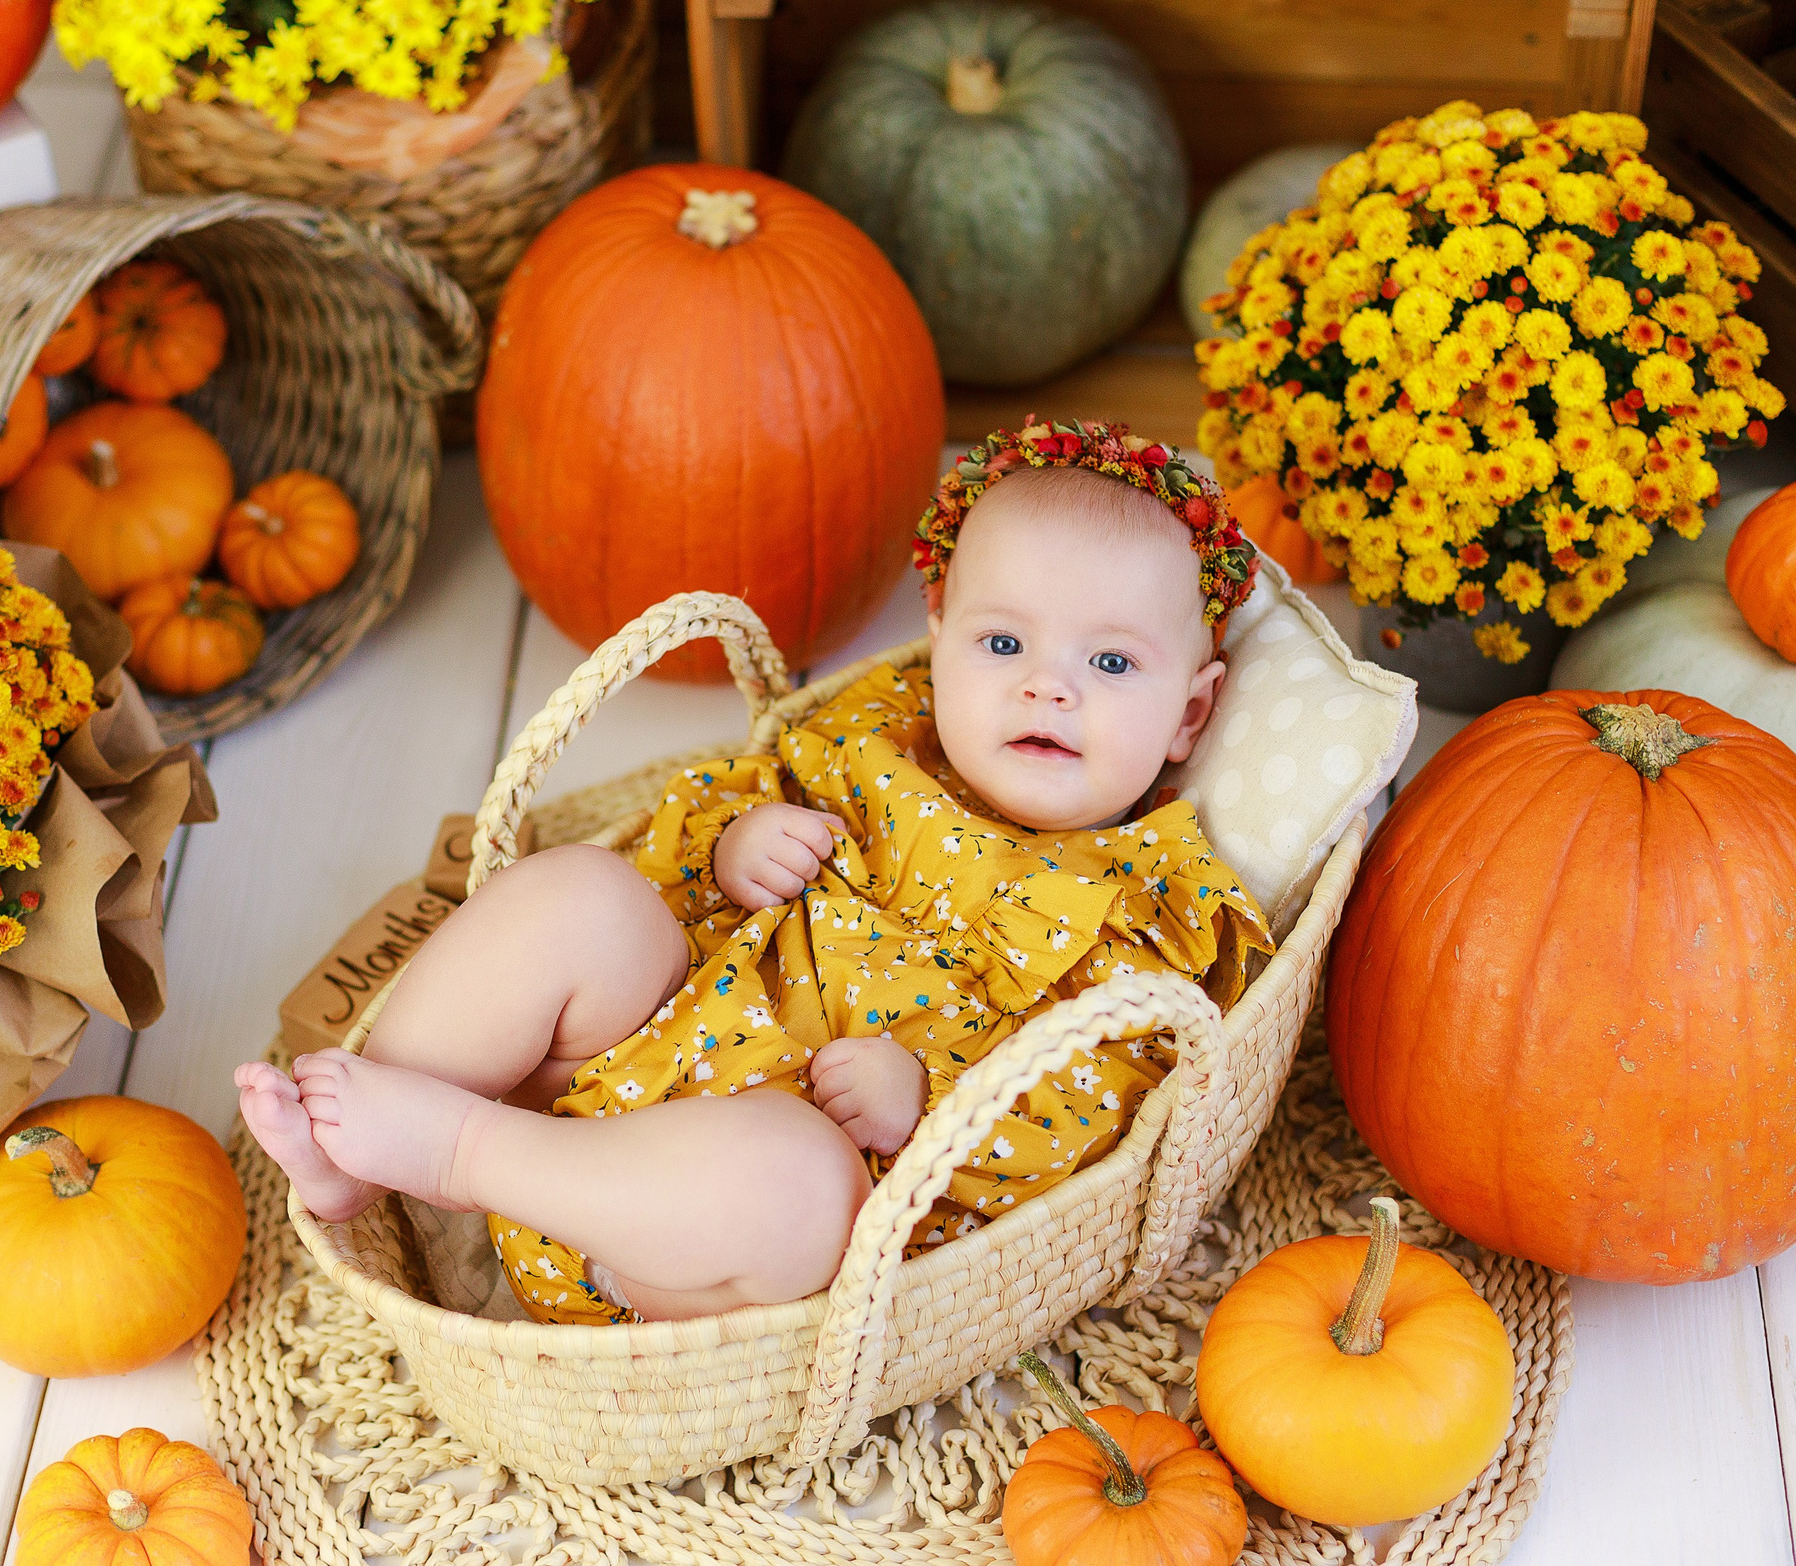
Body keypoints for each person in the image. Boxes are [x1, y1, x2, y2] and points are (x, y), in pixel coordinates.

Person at [237, 420, 1274, 1325]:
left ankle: (458, 1152)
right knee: (583, 897)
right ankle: (368, 1141)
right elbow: (697, 821)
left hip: (706, 1232)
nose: (1046, 688)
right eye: (1002, 642)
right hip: (617, 1066)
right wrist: (732, 847)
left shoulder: (1157, 907)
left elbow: (1104, 1104)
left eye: (1109, 665)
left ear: (1188, 714)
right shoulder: (874, 738)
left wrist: (932, 1103)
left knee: (798, 1181)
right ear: (938, 644)